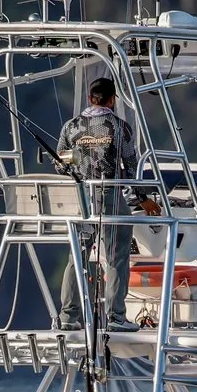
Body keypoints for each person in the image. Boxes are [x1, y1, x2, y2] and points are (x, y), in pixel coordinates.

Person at [55, 76, 147, 328]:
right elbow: (131, 168)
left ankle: (67, 317)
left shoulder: (70, 127)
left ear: (89, 99)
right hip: (110, 196)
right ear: (112, 99)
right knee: (116, 255)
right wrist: (144, 199)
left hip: (80, 199)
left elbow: (61, 164)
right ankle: (116, 317)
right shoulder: (118, 126)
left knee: (78, 256)